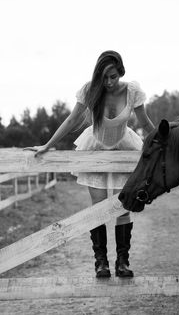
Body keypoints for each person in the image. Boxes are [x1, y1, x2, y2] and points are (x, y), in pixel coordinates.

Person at [25, 50, 154, 278]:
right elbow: (72, 119)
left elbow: (145, 122)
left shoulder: (133, 91)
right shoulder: (90, 89)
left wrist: (168, 141)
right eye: (104, 77)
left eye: (113, 76)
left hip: (124, 146)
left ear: (120, 71)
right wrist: (47, 144)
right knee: (99, 206)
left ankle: (122, 262)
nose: (109, 82)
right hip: (94, 146)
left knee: (123, 205)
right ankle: (101, 262)